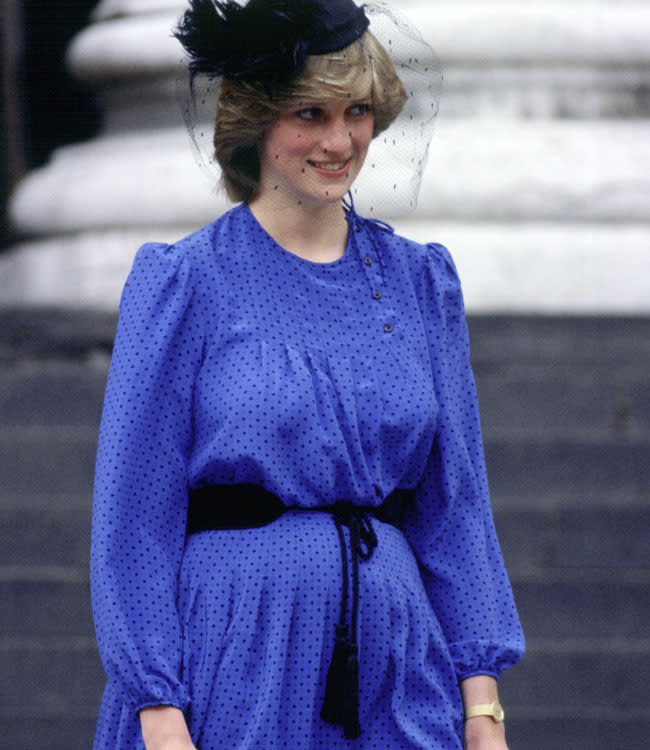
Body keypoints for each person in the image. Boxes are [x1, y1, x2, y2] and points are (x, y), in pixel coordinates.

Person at [90, 1, 525, 749]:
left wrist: (482, 706)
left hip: (395, 657)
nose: (339, 139)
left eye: (357, 111)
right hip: (232, 656)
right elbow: (135, 517)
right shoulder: (184, 282)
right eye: (309, 113)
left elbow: (456, 509)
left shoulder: (421, 282)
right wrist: (159, 710)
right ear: (257, 121)